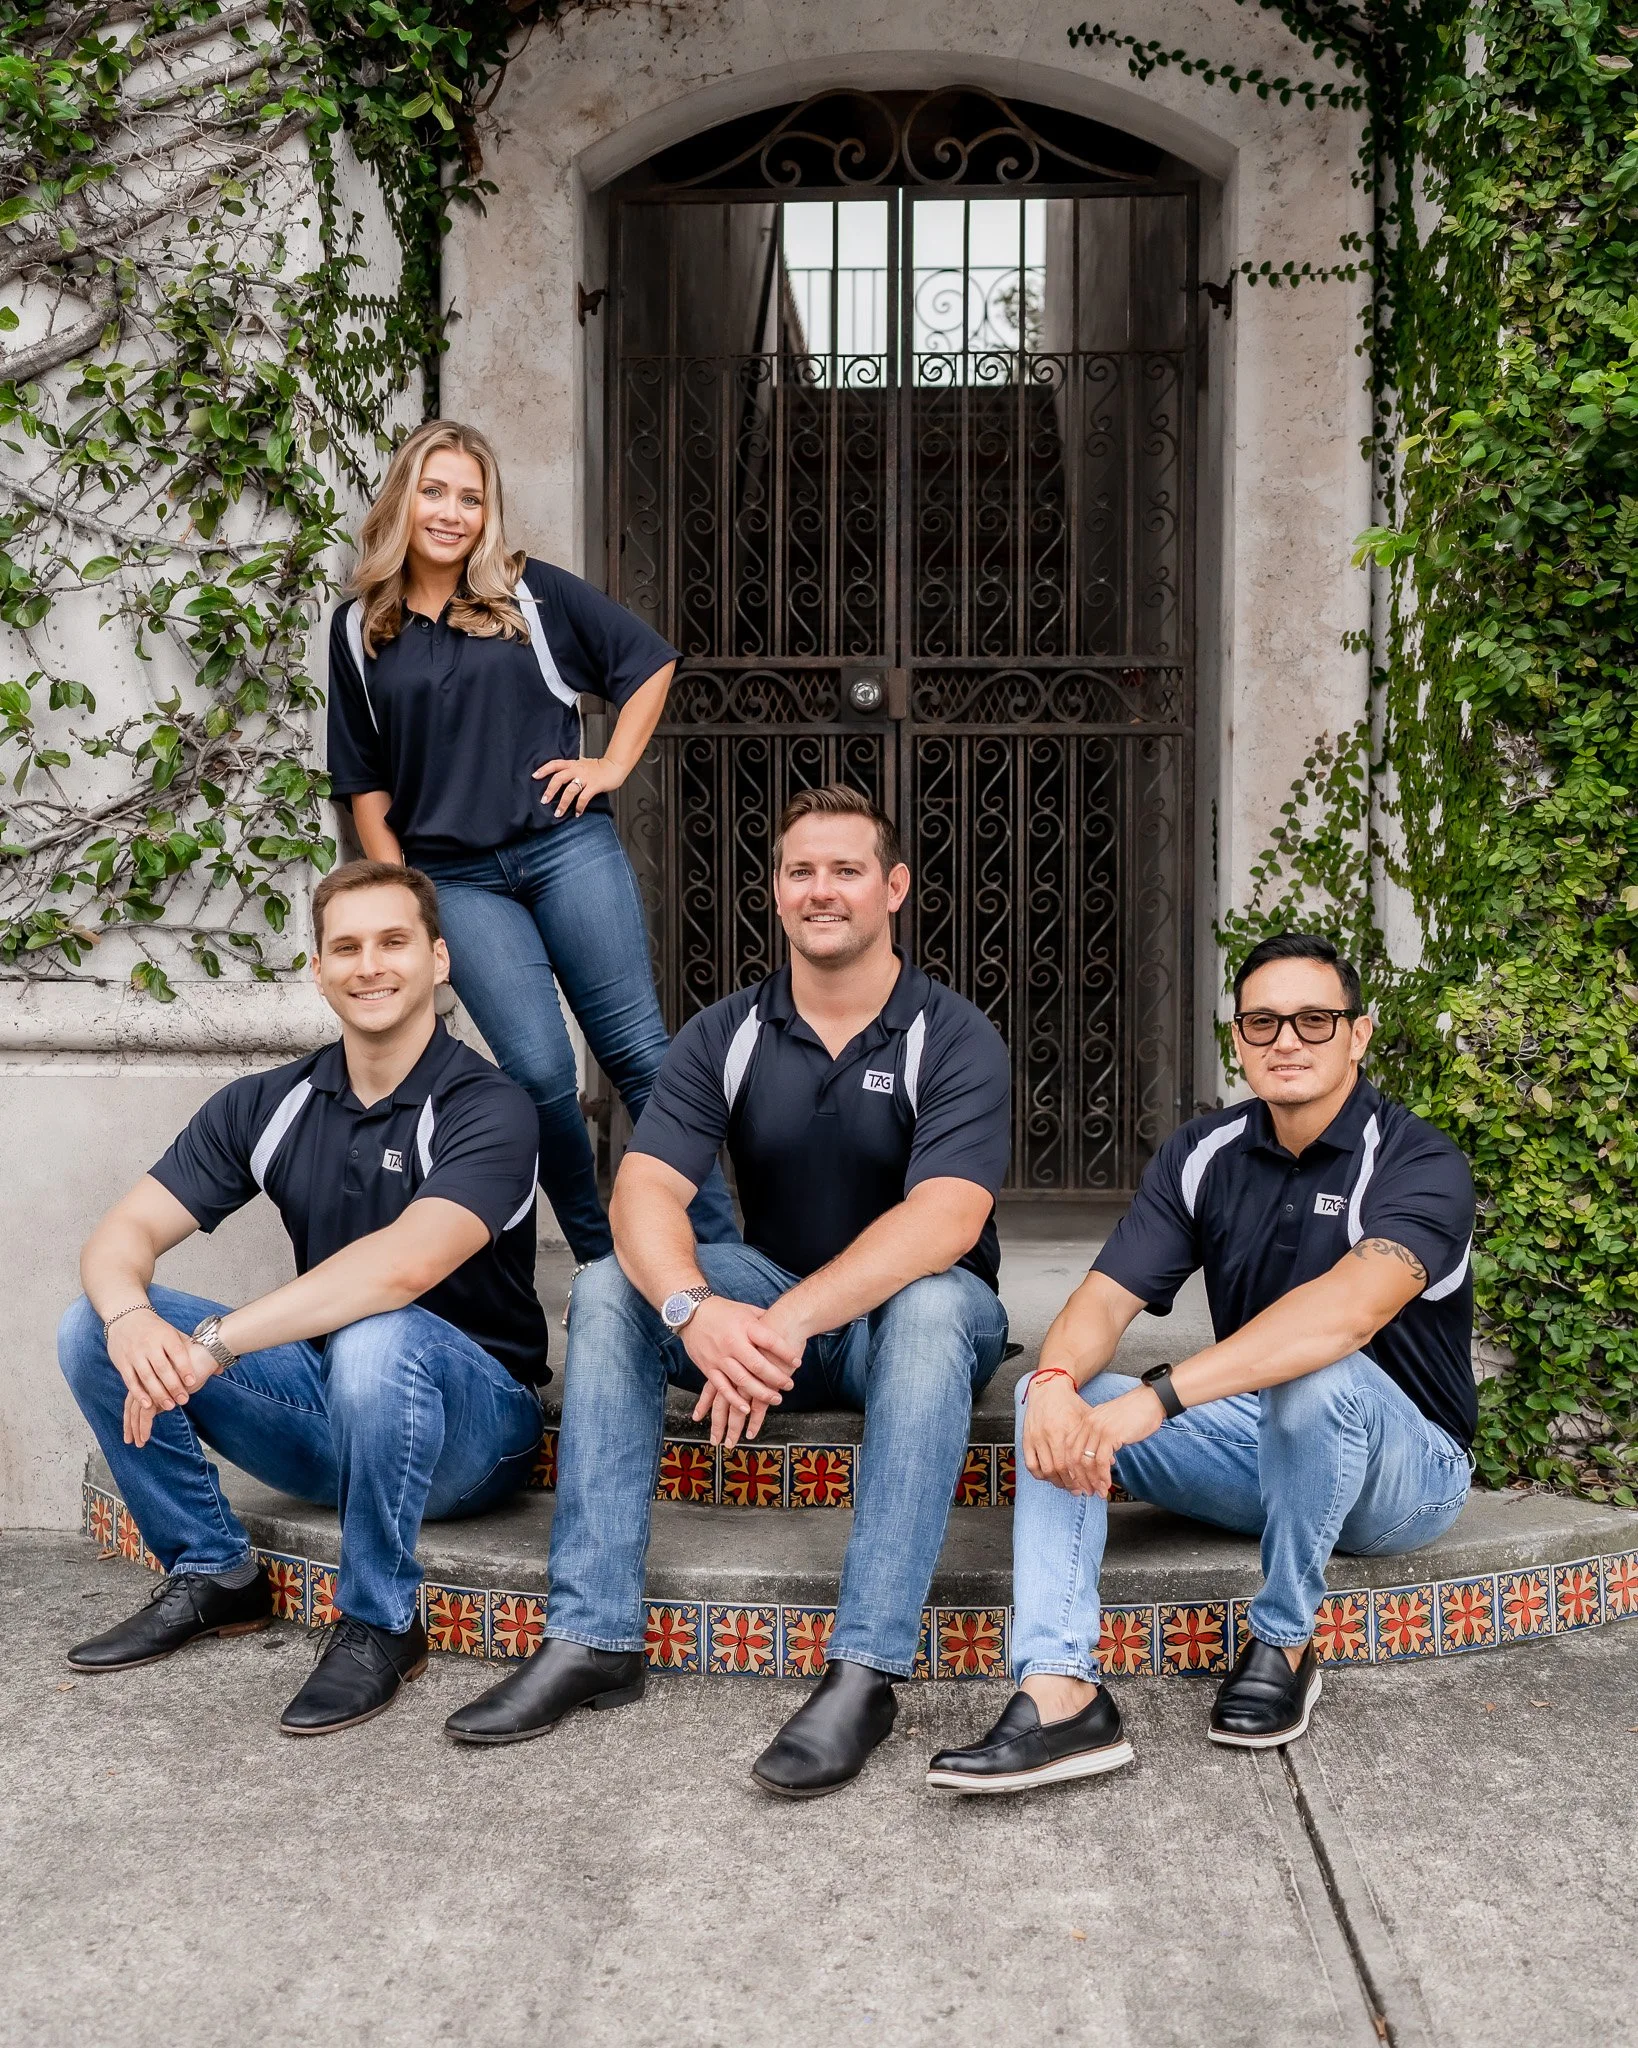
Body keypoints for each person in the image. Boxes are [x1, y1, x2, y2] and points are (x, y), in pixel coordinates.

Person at [444, 784, 1013, 1797]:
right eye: (802, 871)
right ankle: (592, 1635)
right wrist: (694, 1309)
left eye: (846, 870)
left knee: (932, 1303)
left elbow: (946, 1222)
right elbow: (646, 1192)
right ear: (778, 892)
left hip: (911, 1319)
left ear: (893, 889)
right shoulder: (730, 1031)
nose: (821, 889)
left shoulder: (952, 1033)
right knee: (619, 1283)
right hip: (775, 1303)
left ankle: (865, 1668)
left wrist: (784, 1317)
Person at [928, 932, 1476, 1793]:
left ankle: (1286, 1641)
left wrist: (1162, 1399)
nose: (1286, 1041)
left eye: (1314, 1020)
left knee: (1314, 1372)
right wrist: (1059, 1382)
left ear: (1359, 1035)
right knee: (1059, 1395)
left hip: (1405, 1475)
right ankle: (1060, 1691)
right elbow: (1103, 1299)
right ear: (1237, 1038)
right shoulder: (1205, 1154)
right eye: (1262, 1022)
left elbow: (1343, 1317)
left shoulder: (1419, 1162)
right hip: (1267, 1446)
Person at [57, 861, 550, 1737]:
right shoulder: (272, 1102)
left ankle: (381, 1622)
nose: (370, 965)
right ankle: (214, 1572)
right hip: (333, 1411)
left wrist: (215, 1342)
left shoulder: (489, 1104)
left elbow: (397, 1270)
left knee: (379, 1333)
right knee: (92, 1326)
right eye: (347, 947)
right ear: (316, 971)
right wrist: (133, 1319)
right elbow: (117, 1239)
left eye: (394, 942)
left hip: (476, 1434)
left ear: (439, 961)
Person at [326, 417, 736, 1274]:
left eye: (471, 498)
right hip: (456, 881)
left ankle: (725, 1256)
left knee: (638, 1056)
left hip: (564, 850)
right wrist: (403, 892)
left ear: (489, 512)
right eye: (434, 491)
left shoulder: (528, 595)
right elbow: (364, 780)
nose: (451, 512)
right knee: (540, 1078)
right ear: (404, 498)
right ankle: (603, 1262)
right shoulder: (360, 626)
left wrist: (611, 765)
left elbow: (647, 662)